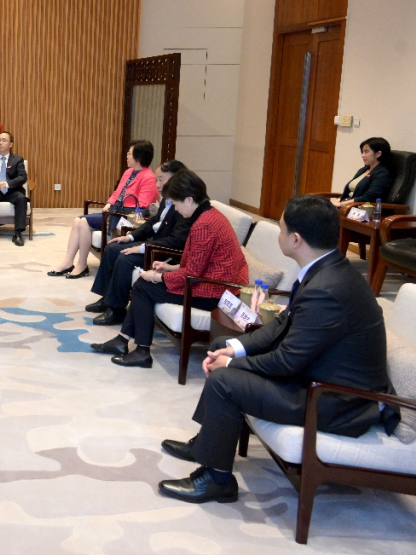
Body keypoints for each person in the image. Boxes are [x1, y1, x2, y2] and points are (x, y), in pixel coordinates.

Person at [157, 195, 399, 504]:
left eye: (281, 228)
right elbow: (282, 323)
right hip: (318, 377)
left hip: (335, 400)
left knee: (224, 380)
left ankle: (218, 480)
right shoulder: (326, 269)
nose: (278, 233)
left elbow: (286, 362)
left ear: (296, 240)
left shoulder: (327, 289)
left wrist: (228, 366)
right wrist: (233, 349)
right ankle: (208, 442)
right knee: (221, 346)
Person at [91, 169, 247, 368]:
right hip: (212, 282)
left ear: (189, 199)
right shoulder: (209, 215)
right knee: (144, 284)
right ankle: (123, 341)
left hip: (215, 292)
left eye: (176, 203)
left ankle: (141, 351)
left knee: (143, 287)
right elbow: (199, 263)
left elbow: (192, 274)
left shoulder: (204, 225)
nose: (176, 209)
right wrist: (171, 267)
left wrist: (156, 277)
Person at [85, 160, 191, 326]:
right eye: (156, 180)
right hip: (154, 243)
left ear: (176, 178)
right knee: (112, 247)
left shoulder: (185, 205)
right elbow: (153, 222)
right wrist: (131, 237)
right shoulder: (167, 199)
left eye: (161, 179)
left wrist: (142, 248)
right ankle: (107, 298)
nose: (157, 185)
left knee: (125, 258)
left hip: (164, 252)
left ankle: (117, 309)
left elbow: (176, 241)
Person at [49, 140, 159, 279]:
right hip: (114, 212)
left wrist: (116, 208)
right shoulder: (129, 172)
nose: (127, 156)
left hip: (126, 217)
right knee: (78, 220)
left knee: (83, 222)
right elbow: (117, 193)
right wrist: (109, 203)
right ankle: (68, 262)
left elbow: (142, 206)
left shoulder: (149, 178)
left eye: (129, 153)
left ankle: (81, 265)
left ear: (139, 156)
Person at [332, 137, 393, 207]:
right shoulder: (363, 170)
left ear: (378, 154)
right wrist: (338, 200)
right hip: (347, 204)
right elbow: (349, 192)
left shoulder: (383, 174)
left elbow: (368, 198)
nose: (363, 155)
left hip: (359, 208)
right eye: (362, 152)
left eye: (366, 152)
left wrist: (341, 204)